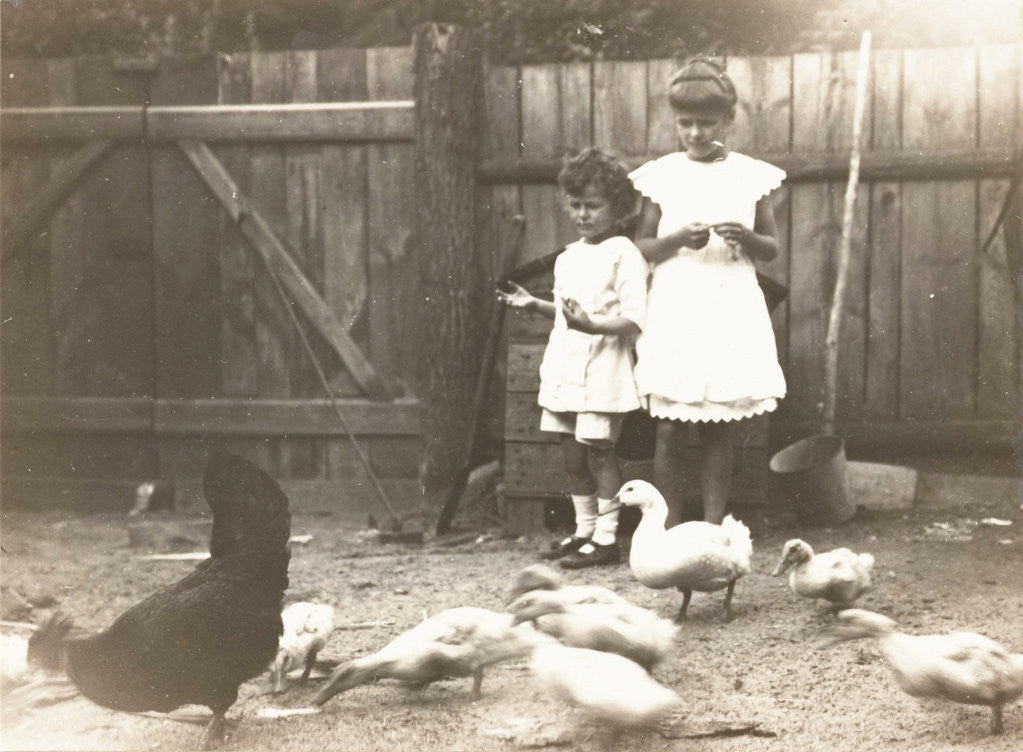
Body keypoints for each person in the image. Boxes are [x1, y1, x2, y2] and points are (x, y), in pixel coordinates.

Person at [630, 57, 787, 527]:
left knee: (722, 427)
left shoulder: (750, 177)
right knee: (670, 427)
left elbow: (772, 248)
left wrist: (747, 237)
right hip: (677, 306)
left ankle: (715, 526)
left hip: (728, 304)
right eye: (686, 123)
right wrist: (678, 239)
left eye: (707, 123)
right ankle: (669, 526)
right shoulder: (660, 175)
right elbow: (642, 244)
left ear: (729, 120)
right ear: (674, 122)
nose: (696, 133)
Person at [498, 148, 648, 568]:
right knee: (572, 456)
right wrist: (535, 304)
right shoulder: (569, 256)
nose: (583, 214)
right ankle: (583, 530)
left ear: (616, 208)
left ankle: (606, 539)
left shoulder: (625, 254)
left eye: (593, 206)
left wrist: (594, 328)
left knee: (600, 454)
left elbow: (635, 318)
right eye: (576, 204)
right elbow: (569, 314)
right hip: (566, 368)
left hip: (604, 370)